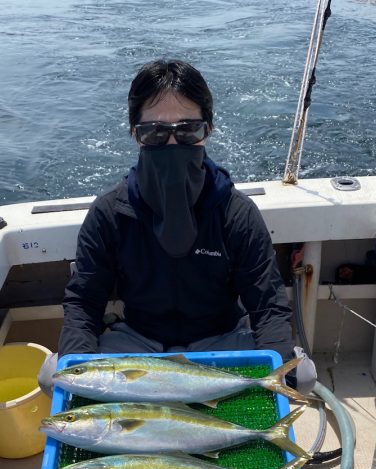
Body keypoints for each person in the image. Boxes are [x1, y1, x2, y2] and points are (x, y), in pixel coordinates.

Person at [39, 59, 316, 395]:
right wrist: (78, 365)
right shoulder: (109, 213)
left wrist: (281, 362)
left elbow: (268, 304)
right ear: (135, 135)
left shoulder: (236, 213)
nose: (172, 145)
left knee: (301, 376)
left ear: (207, 131)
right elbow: (84, 300)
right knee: (53, 375)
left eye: (187, 131)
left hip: (223, 340)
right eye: (155, 133)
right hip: (138, 343)